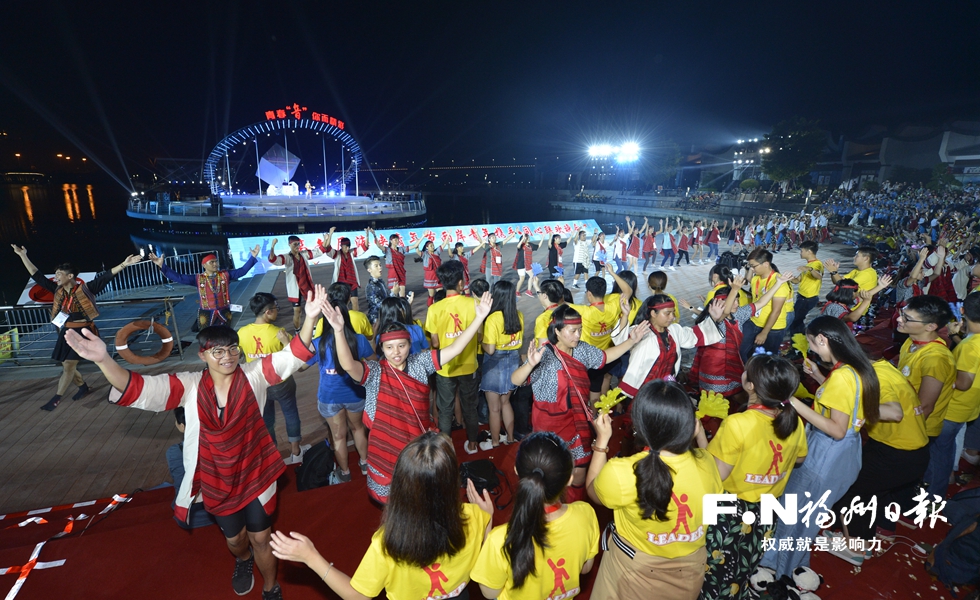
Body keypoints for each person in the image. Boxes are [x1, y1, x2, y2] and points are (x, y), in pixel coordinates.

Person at [63, 285, 330, 600]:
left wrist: (310, 318)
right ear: (203, 354)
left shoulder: (255, 374)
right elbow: (138, 388)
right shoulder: (188, 386)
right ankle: (242, 560)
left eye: (232, 349)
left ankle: (271, 587)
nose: (227, 356)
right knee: (237, 540)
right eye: (218, 351)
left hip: (254, 474)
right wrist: (103, 360)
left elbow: (292, 355)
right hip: (216, 479)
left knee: (262, 537)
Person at [269, 432, 494, 600]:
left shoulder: (388, 541)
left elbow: (358, 595)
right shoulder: (476, 516)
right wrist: (488, 517)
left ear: (401, 485)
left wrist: (311, 558)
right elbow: (486, 558)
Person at [322, 290, 493, 503]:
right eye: (389, 347)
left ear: (409, 345)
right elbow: (348, 365)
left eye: (401, 346)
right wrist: (339, 331)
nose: (396, 352)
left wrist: (479, 318)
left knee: (419, 500)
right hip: (385, 448)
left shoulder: (421, 363)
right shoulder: (375, 372)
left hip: (417, 447)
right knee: (392, 505)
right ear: (382, 349)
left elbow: (456, 349)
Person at [760, 316, 881, 578]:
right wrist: (816, 374)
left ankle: (778, 572)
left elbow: (836, 428)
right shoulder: (854, 368)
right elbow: (847, 405)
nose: (812, 349)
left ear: (823, 339)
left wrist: (790, 400)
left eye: (813, 343)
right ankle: (792, 568)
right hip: (847, 453)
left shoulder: (840, 378)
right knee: (807, 520)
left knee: (793, 518)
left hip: (825, 455)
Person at [587, 380, 723, 600]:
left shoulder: (623, 472)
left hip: (634, 573)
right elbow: (705, 459)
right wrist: (698, 434)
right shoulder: (707, 464)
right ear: (691, 424)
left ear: (638, 428)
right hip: (690, 571)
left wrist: (601, 441)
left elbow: (593, 491)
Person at [510, 304, 650, 503]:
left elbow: (605, 357)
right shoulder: (544, 354)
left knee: (579, 474)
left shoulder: (582, 350)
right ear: (557, 331)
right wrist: (531, 364)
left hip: (577, 424)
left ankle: (575, 505)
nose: (578, 335)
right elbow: (515, 380)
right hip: (549, 427)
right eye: (573, 331)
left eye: (580, 330)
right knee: (551, 472)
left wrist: (632, 341)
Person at [700, 355, 808, 599]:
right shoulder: (793, 421)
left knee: (714, 571)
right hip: (768, 510)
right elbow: (799, 459)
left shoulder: (738, 424)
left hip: (728, 510)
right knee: (743, 566)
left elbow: (715, 477)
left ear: (750, 385)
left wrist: (699, 438)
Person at [471, 432, 600, 600]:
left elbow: (490, 593)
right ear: (569, 479)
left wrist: (486, 525)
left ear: (517, 471)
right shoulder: (586, 514)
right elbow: (586, 568)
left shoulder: (500, 540)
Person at [12, 244, 141, 411]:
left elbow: (107, 276)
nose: (56, 277)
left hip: (84, 332)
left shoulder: (87, 289)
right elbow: (37, 275)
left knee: (84, 364)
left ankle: (56, 398)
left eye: (59, 274)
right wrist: (23, 255)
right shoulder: (57, 290)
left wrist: (124, 264)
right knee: (67, 364)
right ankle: (83, 387)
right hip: (66, 332)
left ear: (70, 276)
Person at [830, 359, 926, 565]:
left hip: (898, 453)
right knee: (868, 494)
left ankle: (854, 550)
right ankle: (862, 544)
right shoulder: (882, 367)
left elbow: (894, 412)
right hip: (899, 448)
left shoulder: (876, 377)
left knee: (849, 488)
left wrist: (849, 408)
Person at [308, 292, 374, 483]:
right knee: (358, 429)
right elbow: (374, 362)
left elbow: (302, 366)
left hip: (329, 397)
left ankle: (344, 473)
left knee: (338, 437)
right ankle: (365, 463)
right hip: (356, 394)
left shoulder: (318, 343)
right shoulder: (359, 340)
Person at [896, 295, 957, 497]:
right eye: (902, 314)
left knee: (917, 471)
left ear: (930, 326)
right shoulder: (913, 342)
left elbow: (925, 406)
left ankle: (929, 502)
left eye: (907, 318)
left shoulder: (935, 359)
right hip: (905, 418)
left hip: (918, 426)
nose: (899, 319)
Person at [238, 293, 309, 465]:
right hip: (281, 382)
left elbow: (239, 356)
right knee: (290, 413)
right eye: (276, 308)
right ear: (268, 312)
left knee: (266, 418)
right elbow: (298, 361)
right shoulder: (279, 333)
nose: (278, 311)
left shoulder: (242, 332)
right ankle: (296, 452)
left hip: (258, 383)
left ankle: (272, 452)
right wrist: (286, 343)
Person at [425, 260, 486, 453]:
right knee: (470, 406)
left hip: (445, 368)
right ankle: (473, 443)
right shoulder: (475, 304)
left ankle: (445, 448)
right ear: (461, 283)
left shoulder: (434, 309)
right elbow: (480, 336)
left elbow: (434, 343)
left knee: (445, 409)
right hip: (469, 365)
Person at [612, 294, 724, 397]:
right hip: (643, 389)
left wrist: (713, 318)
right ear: (653, 314)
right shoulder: (641, 331)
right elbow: (620, 341)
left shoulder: (674, 330)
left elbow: (695, 335)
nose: (672, 317)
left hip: (666, 387)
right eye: (667, 313)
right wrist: (625, 316)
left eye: (673, 313)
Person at [149, 245, 260, 329]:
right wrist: (162, 266)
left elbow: (242, 271)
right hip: (206, 313)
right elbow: (179, 277)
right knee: (208, 339)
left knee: (226, 336)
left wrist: (252, 257)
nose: (215, 264)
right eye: (211, 262)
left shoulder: (225, 275)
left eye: (216, 261)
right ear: (204, 265)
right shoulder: (198, 278)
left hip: (224, 311)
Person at [480, 280, 523, 450]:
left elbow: (489, 349)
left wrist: (480, 342)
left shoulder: (493, 318)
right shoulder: (518, 315)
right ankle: (511, 438)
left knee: (494, 408)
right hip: (513, 360)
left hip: (494, 363)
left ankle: (496, 441)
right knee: (506, 403)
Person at [740, 248, 793, 362]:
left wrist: (764, 332)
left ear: (766, 264)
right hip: (754, 321)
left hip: (773, 328)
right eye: (750, 266)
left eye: (754, 266)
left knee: (766, 359)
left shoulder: (778, 282)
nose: (752, 269)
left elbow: (776, 311)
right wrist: (749, 267)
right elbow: (750, 279)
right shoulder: (756, 278)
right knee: (743, 350)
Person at [268, 234, 327, 332]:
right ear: (289, 245)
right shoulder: (287, 257)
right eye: (295, 244)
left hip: (307, 286)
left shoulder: (304, 254)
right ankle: (297, 331)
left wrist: (327, 238)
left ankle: (315, 330)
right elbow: (273, 259)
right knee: (297, 312)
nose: (297, 246)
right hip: (295, 288)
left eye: (298, 244)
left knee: (314, 307)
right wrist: (272, 246)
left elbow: (320, 250)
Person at [322, 227, 369, 311]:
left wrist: (367, 235)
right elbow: (327, 248)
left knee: (355, 302)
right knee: (342, 305)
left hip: (352, 282)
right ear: (341, 246)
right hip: (341, 284)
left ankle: (355, 321)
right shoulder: (336, 254)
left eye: (348, 247)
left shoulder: (351, 253)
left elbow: (364, 247)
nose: (347, 249)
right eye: (345, 247)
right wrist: (330, 234)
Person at [825, 247, 879, 317]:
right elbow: (837, 282)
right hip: (848, 308)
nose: (854, 257)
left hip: (854, 311)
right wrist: (833, 272)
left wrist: (834, 272)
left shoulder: (867, 274)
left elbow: (843, 286)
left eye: (857, 256)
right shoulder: (857, 271)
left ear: (866, 258)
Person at [788, 241, 823, 338]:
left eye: (802, 251)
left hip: (807, 298)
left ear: (809, 252)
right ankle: (800, 342)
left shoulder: (817, 264)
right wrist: (789, 278)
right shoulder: (808, 266)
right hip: (802, 297)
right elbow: (797, 281)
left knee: (795, 321)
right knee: (797, 321)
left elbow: (819, 276)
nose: (800, 253)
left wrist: (810, 269)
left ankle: (797, 345)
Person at [534, 278, 566, 346]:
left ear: (544, 295)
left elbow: (543, 347)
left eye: (539, 293)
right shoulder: (568, 311)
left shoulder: (543, 318)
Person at [363, 256, 389, 326]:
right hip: (377, 321)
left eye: (380, 265)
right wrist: (393, 294)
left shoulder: (380, 282)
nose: (380, 267)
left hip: (385, 317)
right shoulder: (371, 286)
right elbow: (378, 305)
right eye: (376, 266)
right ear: (369, 270)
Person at [417, 238, 443, 306]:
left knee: (441, 293)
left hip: (438, 276)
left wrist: (448, 235)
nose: (433, 247)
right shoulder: (425, 254)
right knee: (431, 294)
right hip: (430, 277)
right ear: (427, 247)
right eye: (431, 246)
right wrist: (418, 242)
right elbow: (417, 250)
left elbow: (443, 245)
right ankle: (430, 308)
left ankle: (440, 307)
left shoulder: (436, 252)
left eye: (433, 245)